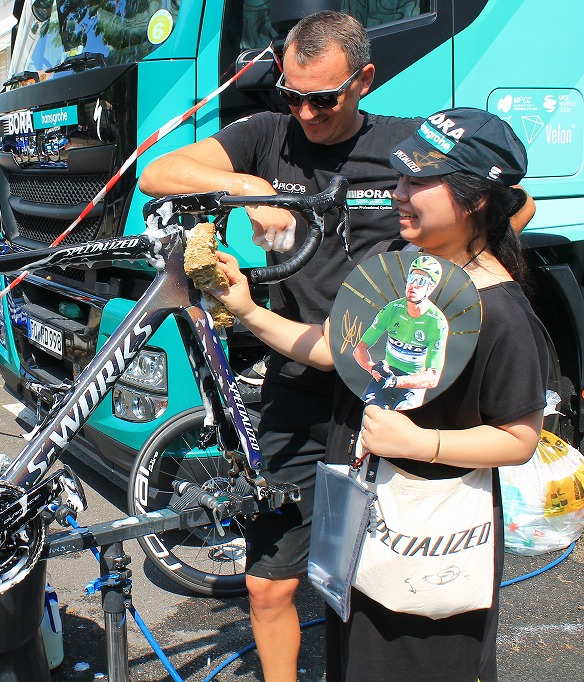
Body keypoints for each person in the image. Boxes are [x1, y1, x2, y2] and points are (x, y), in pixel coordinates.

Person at [204, 107, 546, 682]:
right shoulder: (404, 269)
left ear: (477, 200)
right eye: (400, 178)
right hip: (366, 526)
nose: (399, 194)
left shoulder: (502, 309)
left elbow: (520, 439)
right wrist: (248, 311)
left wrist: (421, 442)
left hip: (430, 541)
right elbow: (338, 348)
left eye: (419, 182)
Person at [139, 12, 421, 680]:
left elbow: (511, 204)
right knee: (269, 581)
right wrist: (249, 187)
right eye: (291, 94)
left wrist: (430, 265)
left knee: (383, 573)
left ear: (364, 81)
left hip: (387, 385)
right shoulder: (269, 136)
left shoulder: (408, 143)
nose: (306, 112)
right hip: (299, 376)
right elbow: (158, 172)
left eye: (322, 98)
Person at [353, 254, 448, 410]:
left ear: (430, 288)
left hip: (413, 381)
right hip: (387, 374)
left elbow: (432, 378)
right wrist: (372, 368)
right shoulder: (392, 309)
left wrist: (396, 381)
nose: (414, 285)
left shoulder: (437, 322)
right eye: (412, 278)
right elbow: (360, 349)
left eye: (422, 281)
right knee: (368, 413)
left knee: (400, 418)